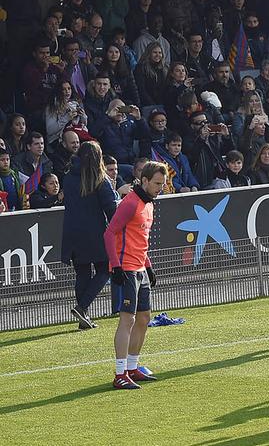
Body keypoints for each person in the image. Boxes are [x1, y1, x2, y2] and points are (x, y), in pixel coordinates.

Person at [103, 161, 168, 389]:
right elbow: (109, 233)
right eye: (158, 183)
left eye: (163, 183)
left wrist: (148, 266)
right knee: (127, 319)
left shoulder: (148, 205)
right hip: (127, 268)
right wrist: (116, 266)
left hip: (139, 267)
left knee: (143, 318)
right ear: (145, 181)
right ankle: (120, 373)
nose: (161, 188)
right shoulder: (130, 203)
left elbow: (141, 241)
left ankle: (132, 367)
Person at [61, 142, 121, 330]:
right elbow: (111, 208)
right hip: (95, 232)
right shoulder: (99, 179)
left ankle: (83, 317)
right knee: (105, 270)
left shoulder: (68, 177)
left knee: (82, 273)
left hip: (72, 231)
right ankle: (82, 307)